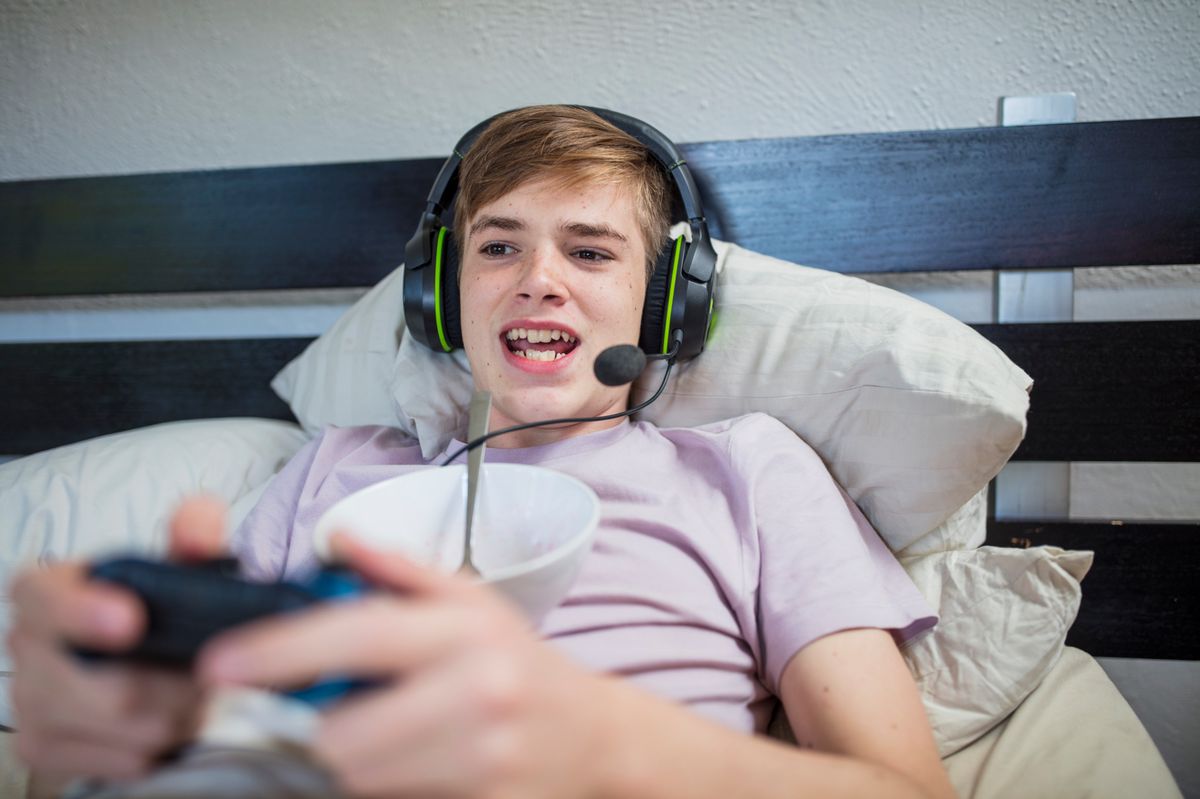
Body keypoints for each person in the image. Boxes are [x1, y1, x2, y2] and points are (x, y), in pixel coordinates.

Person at [8, 105, 958, 799]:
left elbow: (901, 788)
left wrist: (593, 744)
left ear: (668, 305)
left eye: (590, 252)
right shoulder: (338, 466)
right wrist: (90, 739)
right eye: (499, 248)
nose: (538, 281)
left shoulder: (745, 470)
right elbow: (178, 733)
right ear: (440, 294)